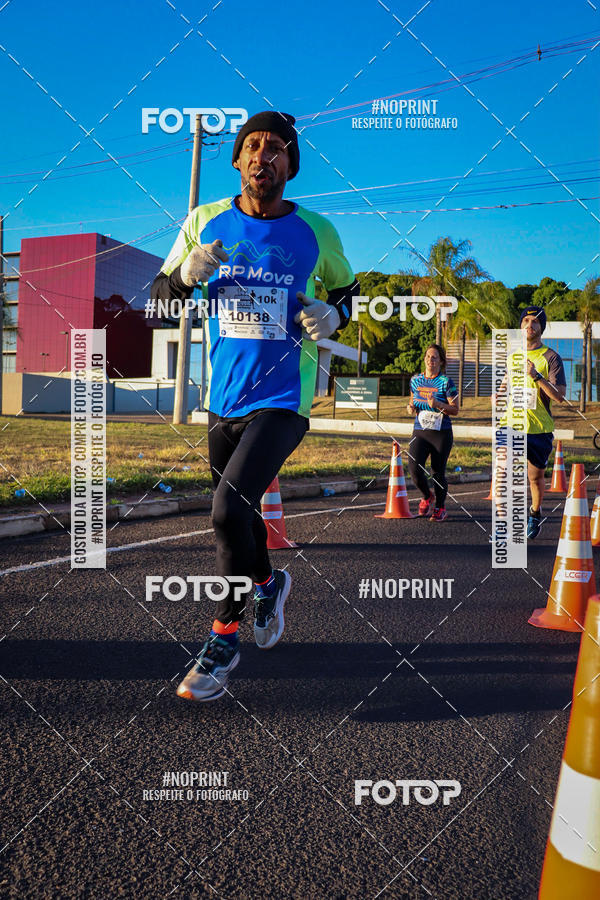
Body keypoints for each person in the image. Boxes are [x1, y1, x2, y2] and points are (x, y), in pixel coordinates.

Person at [151, 111, 359, 701]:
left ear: (290, 166)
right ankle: (268, 583)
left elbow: (347, 289)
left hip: (283, 400)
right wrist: (186, 276)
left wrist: (335, 314)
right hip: (224, 401)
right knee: (237, 525)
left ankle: (221, 642)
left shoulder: (316, 230)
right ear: (238, 160)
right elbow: (161, 297)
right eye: (253, 147)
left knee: (224, 511)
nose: (263, 157)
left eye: (277, 150)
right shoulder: (204, 221)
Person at [502, 306, 566, 539]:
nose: (530, 325)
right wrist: (499, 393)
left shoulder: (551, 357)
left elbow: (559, 395)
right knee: (506, 473)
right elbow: (507, 384)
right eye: (526, 321)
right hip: (512, 425)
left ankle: (534, 514)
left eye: (535, 322)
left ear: (541, 328)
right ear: (521, 326)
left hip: (539, 428)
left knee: (535, 478)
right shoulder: (512, 357)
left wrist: (536, 376)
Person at [406, 344, 459, 521]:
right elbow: (412, 403)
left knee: (437, 472)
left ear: (441, 361)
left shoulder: (446, 382)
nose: (431, 360)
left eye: (435, 357)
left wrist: (438, 405)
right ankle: (427, 496)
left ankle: (440, 507)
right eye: (428, 356)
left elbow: (455, 409)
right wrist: (410, 407)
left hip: (441, 433)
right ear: (424, 359)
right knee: (414, 469)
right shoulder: (415, 380)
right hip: (420, 431)